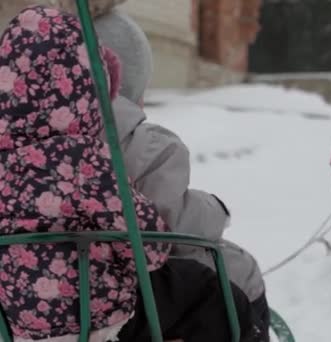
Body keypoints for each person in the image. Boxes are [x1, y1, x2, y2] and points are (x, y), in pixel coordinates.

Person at [0, 6, 261, 342]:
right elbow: (149, 248)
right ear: (86, 92)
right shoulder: (83, 163)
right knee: (213, 292)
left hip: (14, 323)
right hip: (91, 321)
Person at [94, 9, 270, 340]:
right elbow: (170, 224)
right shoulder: (146, 146)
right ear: (128, 84)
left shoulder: (21, 143)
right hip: (128, 302)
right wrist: (214, 211)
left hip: (36, 297)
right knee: (239, 269)